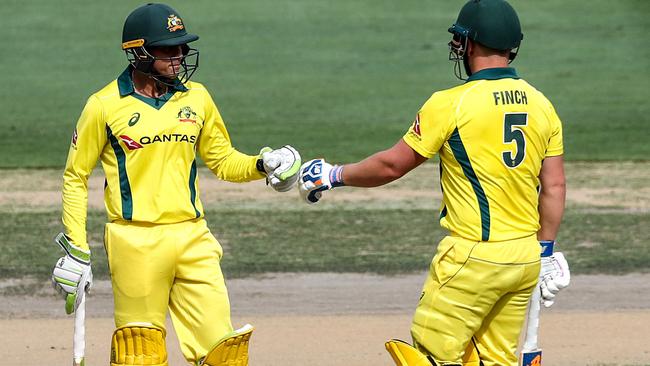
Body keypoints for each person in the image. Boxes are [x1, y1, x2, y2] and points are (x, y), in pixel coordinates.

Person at [298, 0, 570, 365]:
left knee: (428, 353)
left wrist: (333, 175)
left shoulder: (451, 103)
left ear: (470, 44)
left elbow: (393, 166)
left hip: (473, 257)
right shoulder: (542, 104)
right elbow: (554, 186)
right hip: (523, 258)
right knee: (496, 359)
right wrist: (546, 252)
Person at [51, 3, 301, 365]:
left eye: (182, 47)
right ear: (139, 52)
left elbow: (222, 160)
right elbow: (75, 177)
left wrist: (262, 165)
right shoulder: (103, 105)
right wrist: (76, 247)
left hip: (193, 237)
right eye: (168, 49)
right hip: (134, 242)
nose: (179, 56)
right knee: (140, 354)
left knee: (223, 352)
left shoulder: (196, 97)